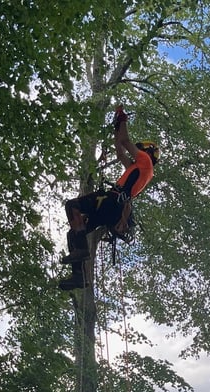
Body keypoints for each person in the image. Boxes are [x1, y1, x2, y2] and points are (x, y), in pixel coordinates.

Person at [58, 105, 159, 291]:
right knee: (73, 233)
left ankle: (81, 251)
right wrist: (116, 128)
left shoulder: (145, 162)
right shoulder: (136, 168)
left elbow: (126, 141)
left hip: (112, 201)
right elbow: (120, 150)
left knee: (72, 206)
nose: (137, 153)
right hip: (112, 209)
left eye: (140, 151)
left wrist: (122, 119)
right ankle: (79, 277)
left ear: (147, 152)